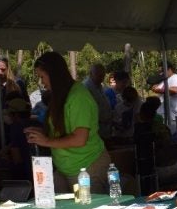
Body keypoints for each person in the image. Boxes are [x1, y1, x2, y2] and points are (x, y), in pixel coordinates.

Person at [25, 51, 111, 193]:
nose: (42, 83)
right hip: (65, 170)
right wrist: (41, 134)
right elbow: (62, 131)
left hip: (87, 168)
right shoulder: (60, 96)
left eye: (42, 77)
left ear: (53, 74)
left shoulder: (79, 97)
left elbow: (79, 139)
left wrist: (46, 141)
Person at [151, 64, 177, 134]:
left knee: (172, 137)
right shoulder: (165, 79)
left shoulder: (175, 78)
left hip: (173, 116)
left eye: (162, 71)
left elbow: (175, 90)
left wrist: (159, 89)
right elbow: (154, 87)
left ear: (169, 69)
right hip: (164, 115)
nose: (160, 73)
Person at [82, 63, 114, 140]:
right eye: (99, 75)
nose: (101, 78)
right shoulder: (86, 87)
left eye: (102, 76)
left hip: (104, 129)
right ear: (91, 74)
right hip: (95, 130)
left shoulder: (100, 86)